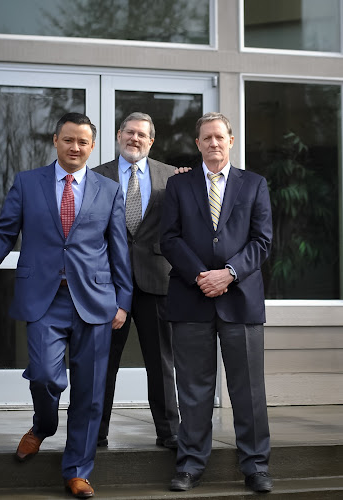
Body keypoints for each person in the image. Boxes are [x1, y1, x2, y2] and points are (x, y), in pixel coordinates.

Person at [0, 112, 132, 499]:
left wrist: (123, 301)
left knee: (90, 391)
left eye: (83, 142)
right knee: (43, 376)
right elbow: (3, 234)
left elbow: (119, 250)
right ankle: (43, 425)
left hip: (95, 300)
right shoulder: (28, 182)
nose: (75, 148)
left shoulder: (108, 189)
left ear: (92, 146)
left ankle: (77, 471)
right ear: (55, 141)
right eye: (68, 140)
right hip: (44, 299)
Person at [160, 112, 273, 494]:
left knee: (248, 391)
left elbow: (262, 241)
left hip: (241, 301)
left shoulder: (254, 184)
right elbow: (169, 238)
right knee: (194, 390)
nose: (213, 143)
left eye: (219, 137)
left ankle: (256, 466)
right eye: (206, 138)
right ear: (198, 143)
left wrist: (229, 273)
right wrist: (200, 275)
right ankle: (190, 465)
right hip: (191, 299)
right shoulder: (178, 185)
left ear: (231, 140)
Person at [93, 112, 180, 449]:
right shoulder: (97, 175)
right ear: (119, 135)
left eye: (142, 134)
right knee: (103, 362)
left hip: (155, 280)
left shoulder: (171, 176)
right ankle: (95, 433)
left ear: (151, 141)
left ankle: (169, 432)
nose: (135, 138)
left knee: (161, 361)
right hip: (108, 284)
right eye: (129, 132)